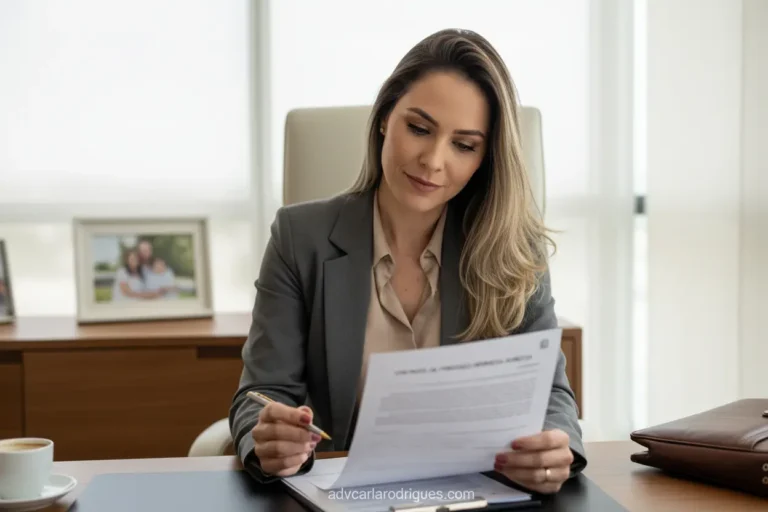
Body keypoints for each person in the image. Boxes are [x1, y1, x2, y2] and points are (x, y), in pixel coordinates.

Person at [229, 28, 586, 494]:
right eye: (419, 128)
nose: (433, 160)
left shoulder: (513, 247)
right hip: (343, 496)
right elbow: (260, 392)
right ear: (384, 119)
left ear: (485, 158)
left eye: (464, 145)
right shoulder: (301, 238)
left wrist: (558, 447)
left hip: (477, 494)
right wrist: (269, 437)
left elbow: (552, 394)